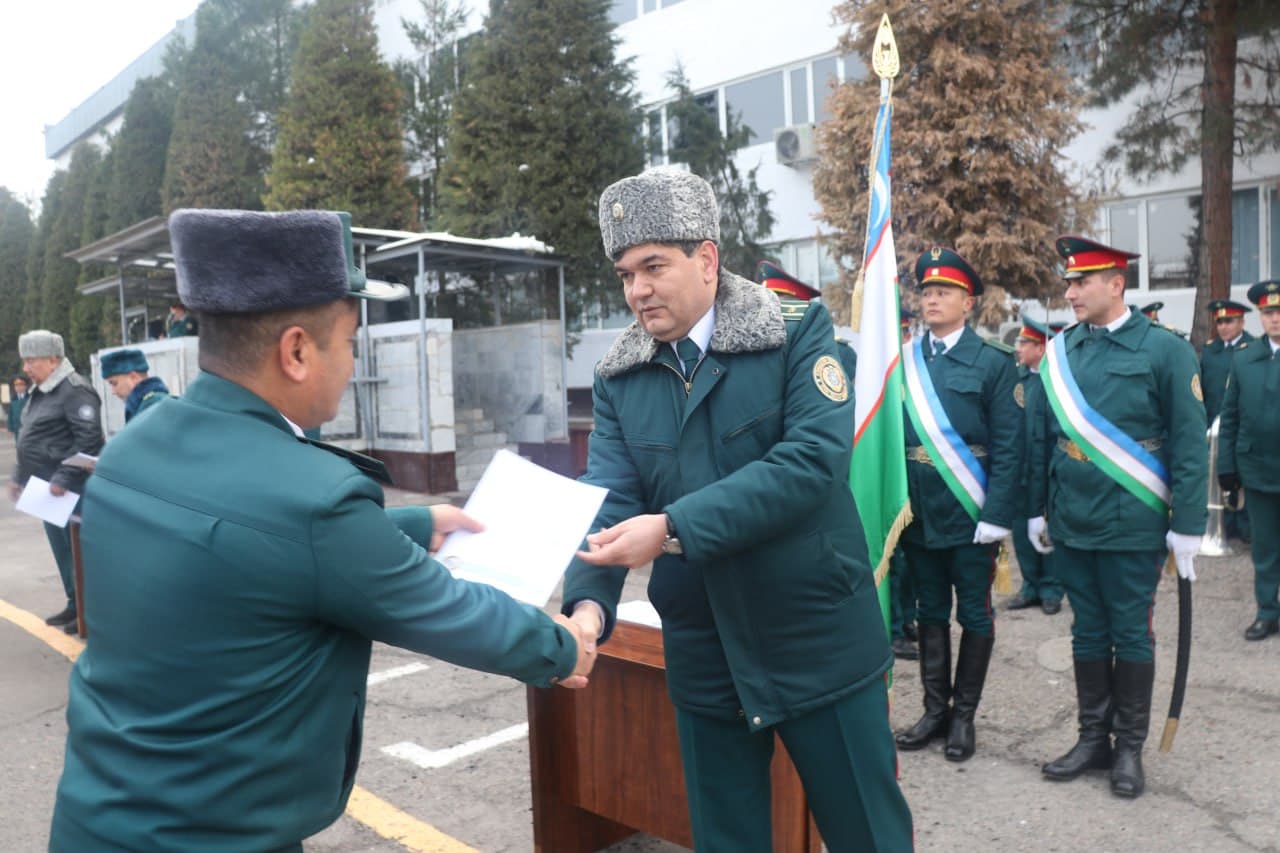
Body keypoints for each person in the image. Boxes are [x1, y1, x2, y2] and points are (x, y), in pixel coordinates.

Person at [49, 210, 593, 851]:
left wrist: (417, 523)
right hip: (216, 838)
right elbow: (443, 608)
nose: (353, 360)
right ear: (299, 351)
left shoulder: (135, 446)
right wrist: (562, 645)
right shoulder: (313, 497)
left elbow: (245, 543)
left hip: (94, 818)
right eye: (350, 343)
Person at [562, 170, 912, 853]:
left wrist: (671, 529)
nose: (637, 290)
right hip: (706, 647)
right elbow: (609, 495)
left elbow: (810, 463)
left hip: (817, 637)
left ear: (707, 259)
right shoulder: (620, 376)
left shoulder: (794, 332)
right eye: (626, 273)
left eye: (653, 267)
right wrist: (588, 608)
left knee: (868, 834)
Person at [1030, 235, 1206, 799]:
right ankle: (1092, 740)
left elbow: (1187, 442)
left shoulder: (1165, 350)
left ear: (1116, 284)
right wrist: (1037, 509)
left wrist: (1189, 524)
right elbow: (1044, 438)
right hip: (1074, 517)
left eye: (1081, 282)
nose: (1070, 292)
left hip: (1133, 519)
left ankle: (1128, 747)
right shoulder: (1063, 352)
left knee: (1130, 631)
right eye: (1068, 282)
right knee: (1087, 630)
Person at [894, 247, 1022, 763]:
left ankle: (963, 716)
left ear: (967, 303)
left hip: (970, 514)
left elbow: (1011, 446)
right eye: (926, 291)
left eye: (943, 292)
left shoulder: (993, 362)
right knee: (929, 613)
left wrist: (997, 515)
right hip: (919, 513)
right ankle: (934, 711)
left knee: (973, 614)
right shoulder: (904, 360)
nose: (931, 299)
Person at [8, 331, 104, 634]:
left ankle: (92, 614)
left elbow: (90, 441)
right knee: (64, 554)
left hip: (70, 489)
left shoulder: (75, 390)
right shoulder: (42, 390)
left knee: (81, 554)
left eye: (31, 360)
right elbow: (30, 437)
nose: (25, 368)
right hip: (46, 489)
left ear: (53, 360)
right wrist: (19, 476)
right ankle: (75, 604)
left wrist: (63, 477)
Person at [1217, 280, 1280, 641]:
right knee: (1265, 548)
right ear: (1261, 315)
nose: (1274, 319)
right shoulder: (1244, 360)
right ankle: (1267, 612)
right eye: (1269, 313)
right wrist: (1227, 468)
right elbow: (1231, 417)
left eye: (1279, 312)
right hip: (1258, 471)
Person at [1006, 317, 1063, 615]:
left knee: (1049, 528)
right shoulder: (1017, 380)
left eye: (1024, 343)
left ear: (1040, 348)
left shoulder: (1057, 381)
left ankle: (1052, 587)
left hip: (1050, 471)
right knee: (1020, 528)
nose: (1019, 348)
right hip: (1022, 471)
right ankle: (1030, 585)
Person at [1201, 299, 1254, 542]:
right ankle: (1221, 524)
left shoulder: (1251, 348)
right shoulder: (1211, 351)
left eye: (1229, 321)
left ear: (1242, 321)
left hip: (1242, 428)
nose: (1223, 326)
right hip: (1213, 425)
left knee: (1241, 475)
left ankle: (1244, 526)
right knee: (1216, 475)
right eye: (1219, 321)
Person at [99, 348, 170, 423]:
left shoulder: (152, 405)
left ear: (134, 377)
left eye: (114, 383)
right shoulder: (143, 405)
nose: (113, 391)